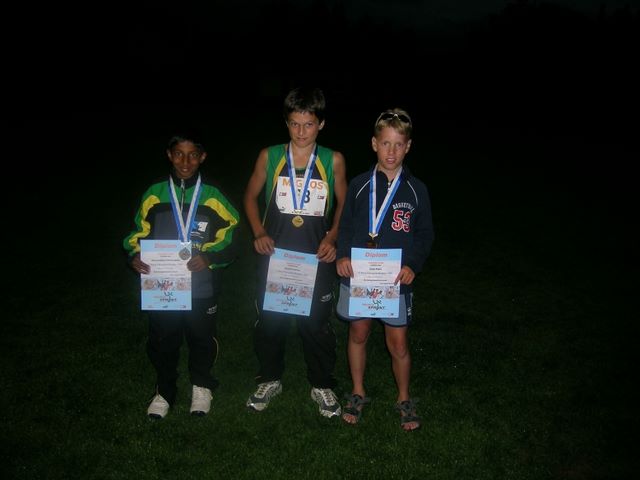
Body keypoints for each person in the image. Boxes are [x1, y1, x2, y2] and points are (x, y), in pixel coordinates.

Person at [243, 86, 347, 418]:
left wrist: (333, 237)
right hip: (275, 256)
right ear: (286, 123)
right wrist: (258, 232)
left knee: (315, 325)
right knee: (271, 322)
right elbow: (249, 196)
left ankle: (321, 384)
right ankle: (270, 378)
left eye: (309, 124)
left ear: (321, 124)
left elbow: (344, 204)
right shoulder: (270, 156)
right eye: (294, 124)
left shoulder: (333, 160)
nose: (301, 132)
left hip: (316, 258)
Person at [123, 130, 240, 419]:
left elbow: (232, 232)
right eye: (178, 154)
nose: (185, 162)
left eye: (192, 155)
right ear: (169, 155)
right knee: (164, 338)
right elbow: (138, 231)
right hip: (163, 284)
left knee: (202, 336)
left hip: (202, 284)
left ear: (203, 157)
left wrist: (210, 256)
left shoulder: (213, 195)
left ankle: (202, 384)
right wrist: (135, 254)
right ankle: (164, 390)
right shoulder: (155, 194)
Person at [335, 108, 434, 431]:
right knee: (358, 333)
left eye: (398, 144)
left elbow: (425, 234)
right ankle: (357, 392)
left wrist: (413, 264)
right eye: (386, 143)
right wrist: (343, 255)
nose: (391, 152)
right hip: (360, 275)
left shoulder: (417, 189)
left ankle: (404, 397)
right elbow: (345, 226)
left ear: (408, 147)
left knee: (398, 343)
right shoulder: (359, 184)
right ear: (374, 144)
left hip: (396, 278)